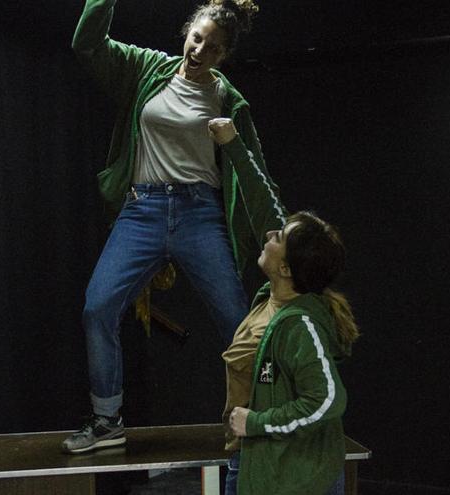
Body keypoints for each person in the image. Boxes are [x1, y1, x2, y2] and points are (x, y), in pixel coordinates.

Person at [63, 0, 287, 454]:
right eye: (197, 38)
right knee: (97, 308)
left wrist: (278, 231)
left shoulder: (227, 99)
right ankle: (107, 420)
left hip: (198, 213)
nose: (199, 50)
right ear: (187, 33)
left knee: (239, 322)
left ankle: (259, 418)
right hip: (141, 210)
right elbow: (86, 44)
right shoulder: (148, 69)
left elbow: (252, 169)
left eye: (212, 47)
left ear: (223, 57)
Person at [226, 211, 359, 495]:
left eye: (279, 236)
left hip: (294, 479)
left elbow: (326, 401)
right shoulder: (268, 300)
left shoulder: (299, 324)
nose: (268, 235)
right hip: (256, 464)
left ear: (286, 269)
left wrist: (256, 423)